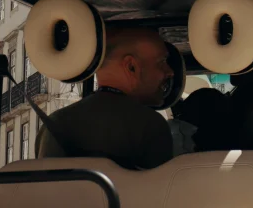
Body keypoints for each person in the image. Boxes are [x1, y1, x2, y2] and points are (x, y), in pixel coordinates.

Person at [39, 27, 175, 168]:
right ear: (131, 67)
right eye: (162, 62)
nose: (170, 72)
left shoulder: (55, 123)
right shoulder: (151, 125)